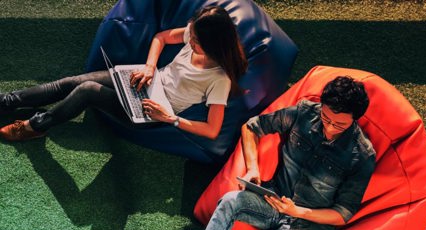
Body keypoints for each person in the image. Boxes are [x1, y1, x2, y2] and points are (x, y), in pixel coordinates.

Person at [157, 76, 377, 230]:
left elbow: (342, 214)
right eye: (326, 118)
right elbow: (252, 127)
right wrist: (252, 168)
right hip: (273, 198)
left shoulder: (361, 155)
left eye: (339, 125)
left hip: (305, 227)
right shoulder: (305, 112)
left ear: (355, 120)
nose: (329, 128)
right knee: (230, 201)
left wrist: (299, 211)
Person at [0, 6, 247, 141]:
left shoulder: (219, 79)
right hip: (145, 80)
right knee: (73, 82)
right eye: (191, 38)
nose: (190, 42)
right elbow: (161, 38)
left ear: (215, 44)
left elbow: (212, 130)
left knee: (86, 91)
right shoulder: (197, 31)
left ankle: (37, 125)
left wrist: (169, 118)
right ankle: (8, 101)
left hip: (151, 112)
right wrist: (150, 67)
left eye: (196, 42)